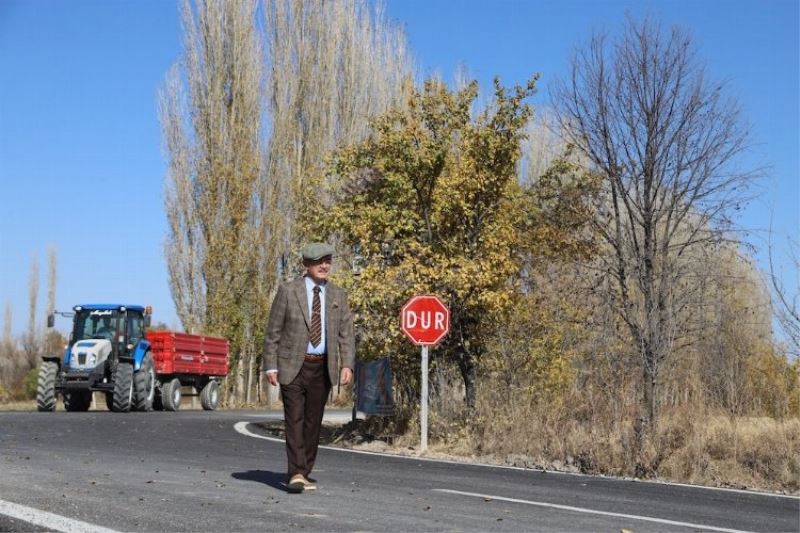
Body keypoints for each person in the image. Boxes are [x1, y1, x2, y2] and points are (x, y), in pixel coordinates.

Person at [262, 242, 355, 493]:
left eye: (327, 260)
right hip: (293, 365)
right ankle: (296, 472)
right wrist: (270, 365)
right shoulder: (288, 291)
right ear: (306, 265)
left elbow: (346, 334)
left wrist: (347, 363)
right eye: (318, 261)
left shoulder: (338, 295)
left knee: (314, 422)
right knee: (294, 419)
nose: (324, 265)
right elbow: (273, 331)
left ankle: (305, 470)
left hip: (323, 367)